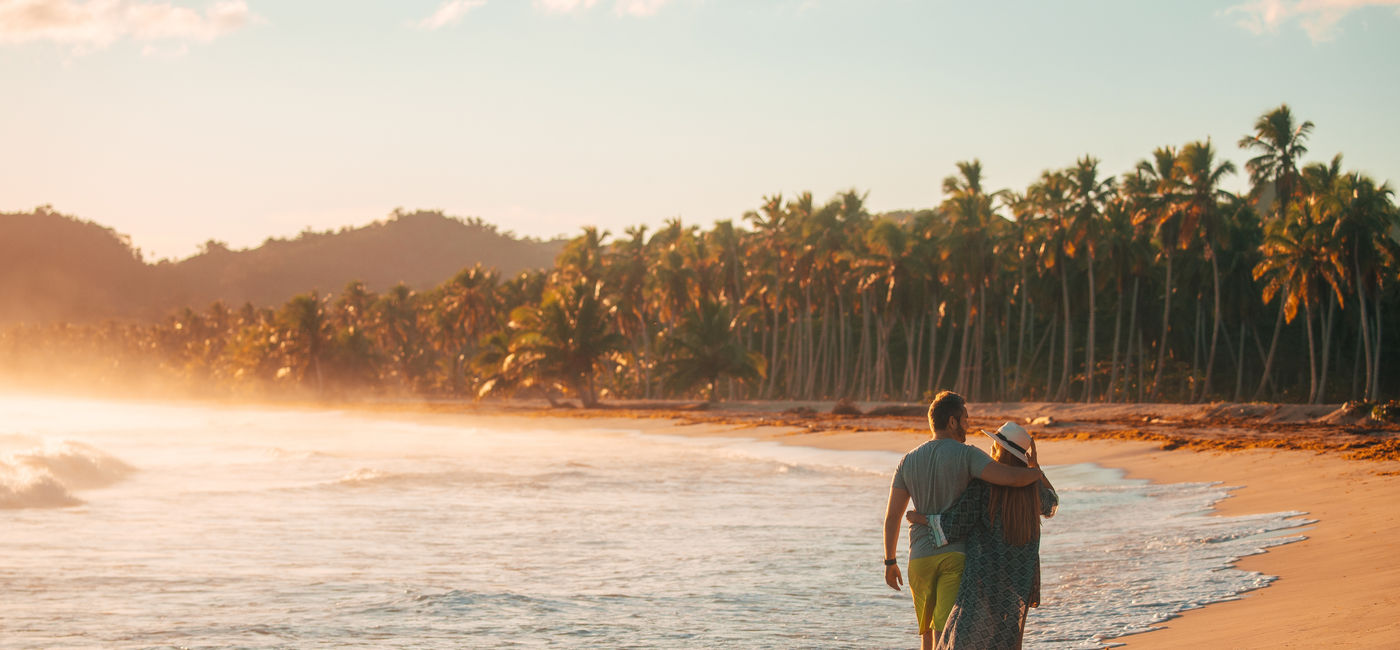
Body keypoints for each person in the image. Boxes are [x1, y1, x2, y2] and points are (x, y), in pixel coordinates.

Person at [883, 392, 1047, 650]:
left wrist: (890, 560)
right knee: (958, 632)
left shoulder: (907, 460)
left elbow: (895, 516)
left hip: (922, 558)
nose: (968, 425)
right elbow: (1013, 480)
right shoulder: (970, 456)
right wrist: (1035, 471)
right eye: (966, 420)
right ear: (952, 422)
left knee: (929, 635)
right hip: (963, 559)